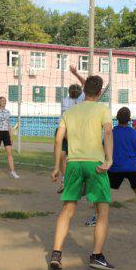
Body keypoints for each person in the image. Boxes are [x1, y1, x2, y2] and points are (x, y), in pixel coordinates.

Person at [48, 75, 115, 270]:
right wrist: (109, 160)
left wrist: (55, 167)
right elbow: (109, 133)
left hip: (74, 163)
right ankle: (97, 256)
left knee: (67, 209)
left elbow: (58, 139)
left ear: (84, 90)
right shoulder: (103, 109)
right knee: (102, 211)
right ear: (100, 92)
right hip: (95, 164)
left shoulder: (70, 111)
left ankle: (56, 254)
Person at [86, 107, 136, 227]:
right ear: (130, 119)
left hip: (115, 168)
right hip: (133, 168)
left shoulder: (111, 133)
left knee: (100, 188)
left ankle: (96, 216)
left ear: (116, 118)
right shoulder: (135, 134)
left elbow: (103, 151)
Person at [54, 65, 89, 193]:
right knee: (62, 156)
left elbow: (85, 83)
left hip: (77, 132)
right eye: (73, 91)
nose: (75, 92)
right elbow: (64, 125)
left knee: (79, 159)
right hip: (64, 130)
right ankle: (64, 182)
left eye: (77, 91)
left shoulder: (80, 98)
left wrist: (75, 73)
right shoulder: (66, 101)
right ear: (70, 93)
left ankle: (83, 182)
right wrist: (69, 138)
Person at [0, 96, 19, 179]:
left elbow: (8, 125)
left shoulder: (8, 112)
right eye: (2, 100)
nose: (4, 102)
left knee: (9, 153)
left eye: (5, 100)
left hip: (6, 133)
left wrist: (11, 136)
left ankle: (12, 172)